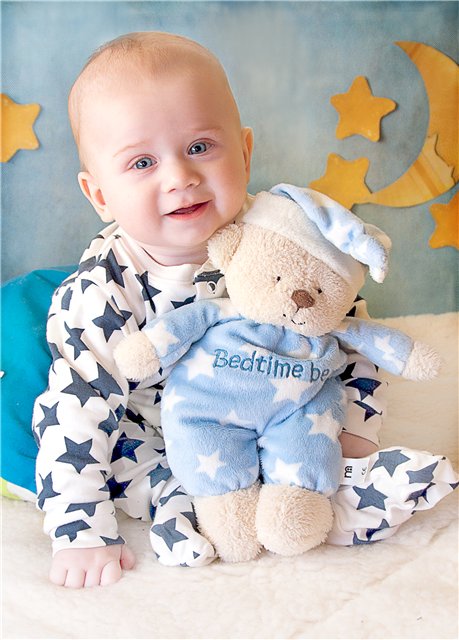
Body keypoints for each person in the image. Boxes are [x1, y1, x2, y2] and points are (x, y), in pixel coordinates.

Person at [32, 31, 457, 588]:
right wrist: (81, 531)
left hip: (289, 415)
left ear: (245, 151)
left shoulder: (283, 236)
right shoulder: (102, 292)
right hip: (169, 437)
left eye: (200, 147)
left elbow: (346, 333)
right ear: (100, 196)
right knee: (138, 471)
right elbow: (76, 409)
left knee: (323, 464)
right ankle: (183, 509)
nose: (179, 177)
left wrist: (354, 433)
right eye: (142, 162)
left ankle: (341, 492)